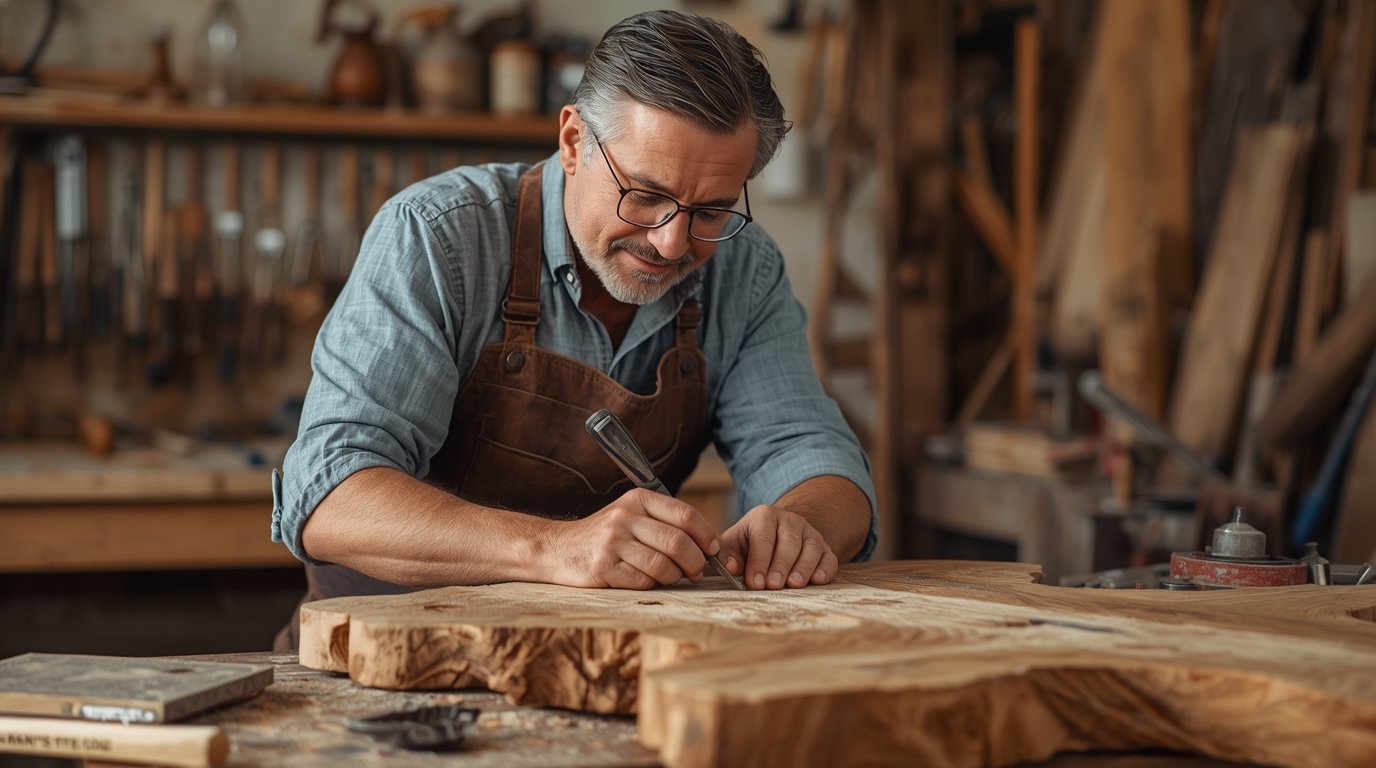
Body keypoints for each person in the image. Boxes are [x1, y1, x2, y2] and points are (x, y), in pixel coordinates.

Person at [271, 9, 876, 648]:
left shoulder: (744, 272)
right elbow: (331, 495)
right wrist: (554, 549)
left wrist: (801, 525)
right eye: (644, 194)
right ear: (572, 142)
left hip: (593, 664)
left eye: (711, 209)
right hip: (386, 664)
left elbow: (813, 457)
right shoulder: (438, 236)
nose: (671, 244)